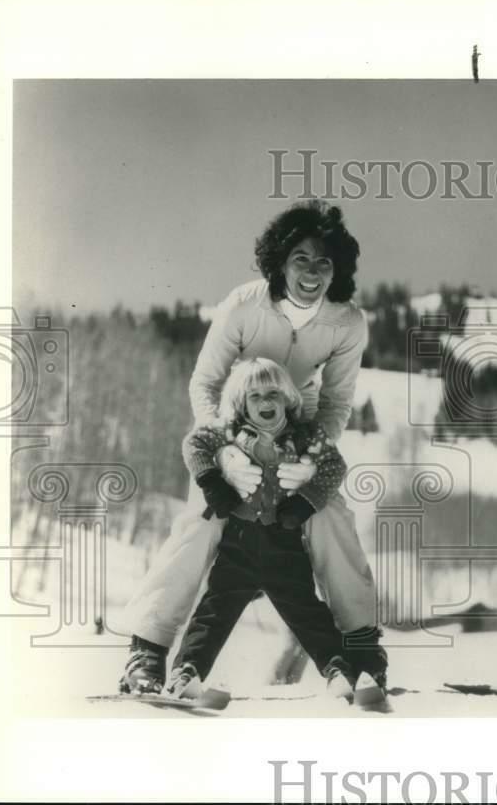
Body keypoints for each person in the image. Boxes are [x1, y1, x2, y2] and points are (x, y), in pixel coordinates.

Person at [119, 200, 382, 694]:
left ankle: (362, 647)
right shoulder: (243, 304)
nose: (311, 271)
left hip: (296, 434)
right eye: (300, 258)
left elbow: (336, 402)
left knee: (332, 517)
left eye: (324, 261)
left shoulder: (347, 323)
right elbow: (205, 382)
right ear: (280, 261)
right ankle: (147, 651)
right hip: (231, 426)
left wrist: (310, 461)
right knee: (203, 519)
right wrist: (223, 452)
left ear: (337, 270)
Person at [161, 358, 376, 698]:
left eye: (273, 394)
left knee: (307, 613)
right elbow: (194, 445)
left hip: (284, 544)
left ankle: (341, 673)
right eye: (255, 395)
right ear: (241, 403)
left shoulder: (305, 436)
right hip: (239, 544)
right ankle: (185, 674)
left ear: (288, 398)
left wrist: (306, 502)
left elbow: (335, 465)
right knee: (213, 612)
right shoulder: (228, 432)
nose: (265, 402)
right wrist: (211, 482)